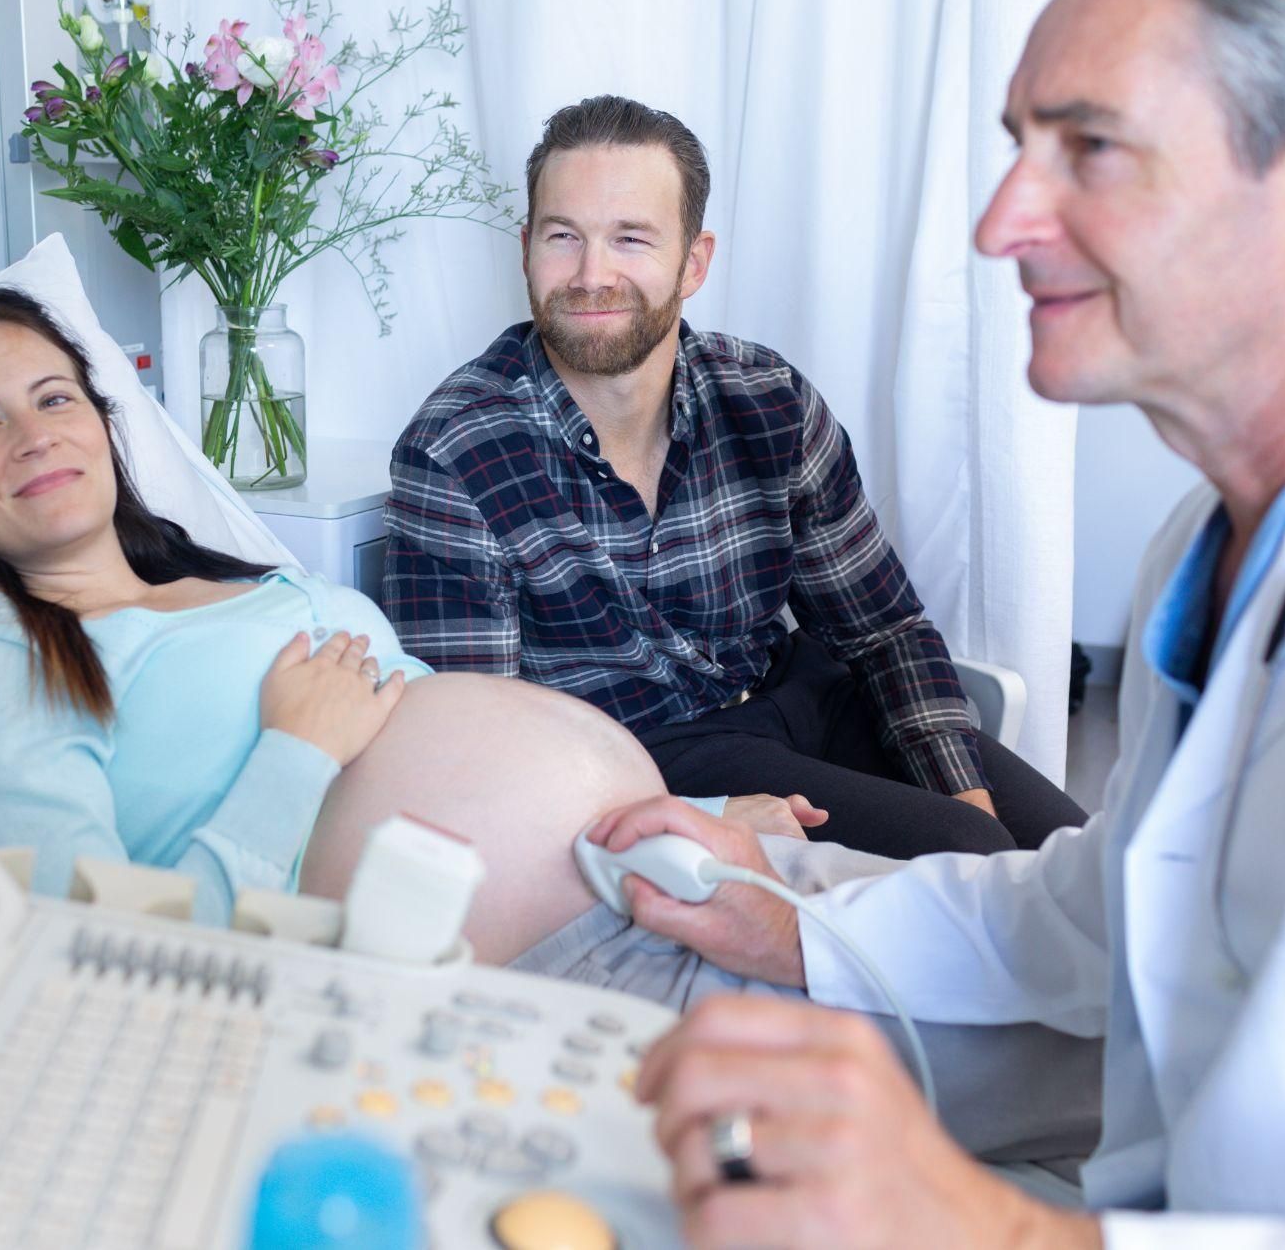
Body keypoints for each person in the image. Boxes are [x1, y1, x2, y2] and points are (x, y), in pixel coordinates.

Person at [589, 0, 1285, 1245]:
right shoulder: (1217, 540)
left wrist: (1005, 1232)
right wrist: (779, 910)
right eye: (1016, 147)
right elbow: (1111, 904)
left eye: (1089, 147)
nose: (1001, 223)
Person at [0, 285, 823, 950]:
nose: (35, 433)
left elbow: (451, 744)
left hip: (660, 873)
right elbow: (87, 950)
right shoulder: (5, 650)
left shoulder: (237, 581)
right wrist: (295, 753)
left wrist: (701, 817)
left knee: (963, 950)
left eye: (53, 398)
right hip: (538, 964)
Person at [383, 94, 1088, 859]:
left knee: (1080, 859)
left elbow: (884, 631)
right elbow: (477, 751)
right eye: (563, 236)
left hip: (806, 696)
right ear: (525, 248)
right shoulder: (456, 450)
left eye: (630, 238)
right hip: (648, 755)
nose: (592, 274)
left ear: (694, 262)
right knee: (971, 859)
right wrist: (703, 809)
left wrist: (967, 791)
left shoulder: (767, 396)